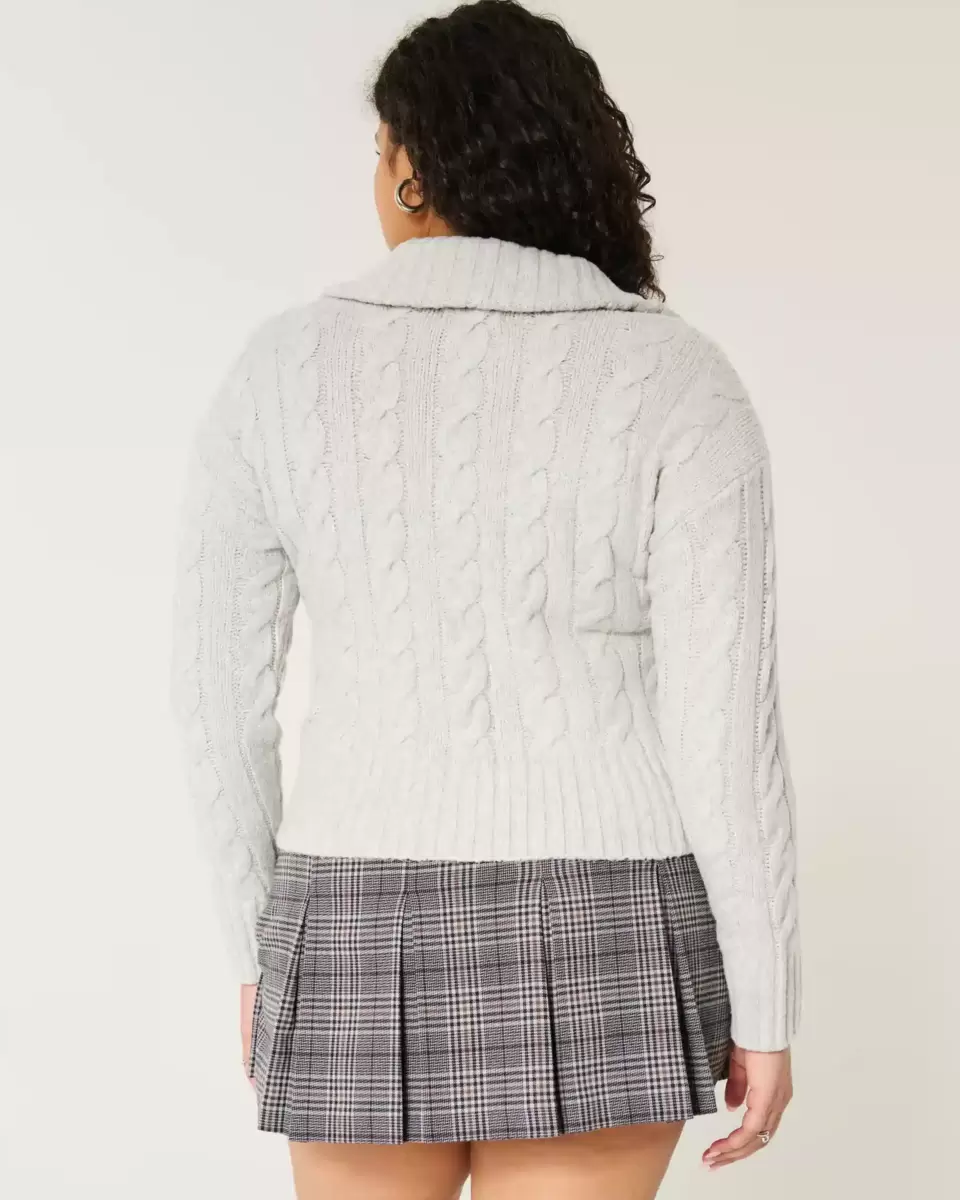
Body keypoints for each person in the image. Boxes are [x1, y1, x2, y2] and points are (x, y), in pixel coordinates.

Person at [169, 1, 800, 1196]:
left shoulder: (281, 371)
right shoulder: (678, 377)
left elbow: (214, 702)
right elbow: (727, 726)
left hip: (349, 908)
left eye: (380, 153)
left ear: (416, 169)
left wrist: (259, 948)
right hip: (611, 912)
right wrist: (766, 1004)